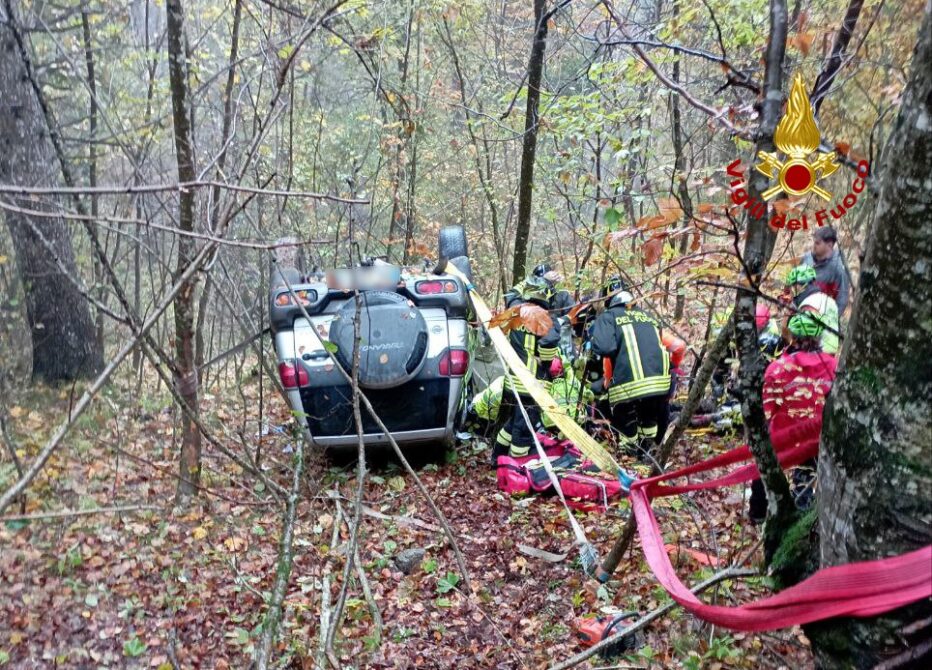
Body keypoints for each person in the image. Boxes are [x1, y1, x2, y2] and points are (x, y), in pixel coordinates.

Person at [747, 312, 838, 522]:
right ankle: (802, 517)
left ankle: (758, 514)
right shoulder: (831, 367)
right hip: (816, 437)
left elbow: (768, 411)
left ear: (792, 337)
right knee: (806, 477)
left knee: (763, 469)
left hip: (783, 436)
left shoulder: (778, 369)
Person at [589, 278, 671, 459]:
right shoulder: (647, 316)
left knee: (625, 423)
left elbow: (604, 347)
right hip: (660, 382)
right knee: (648, 420)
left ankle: (629, 457)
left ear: (608, 299)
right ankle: (648, 456)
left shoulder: (609, 317)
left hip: (630, 385)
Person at [492, 275, 556, 461]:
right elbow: (547, 347)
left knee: (513, 423)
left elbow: (510, 296)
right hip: (534, 383)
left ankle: (498, 458)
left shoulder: (515, 311)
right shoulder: (542, 316)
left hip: (514, 382)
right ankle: (517, 464)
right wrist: (547, 363)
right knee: (524, 428)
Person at [785, 265, 840, 355]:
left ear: (799, 285)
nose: (791, 291)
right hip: (831, 352)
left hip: (817, 354)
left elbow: (806, 335)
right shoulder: (828, 299)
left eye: (793, 286)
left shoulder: (808, 303)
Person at [802, 226, 851, 315]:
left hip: (821, 319)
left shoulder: (838, 269)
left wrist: (830, 321)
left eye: (818, 243)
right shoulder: (807, 258)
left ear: (829, 245)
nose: (814, 245)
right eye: (814, 242)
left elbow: (842, 299)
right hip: (800, 314)